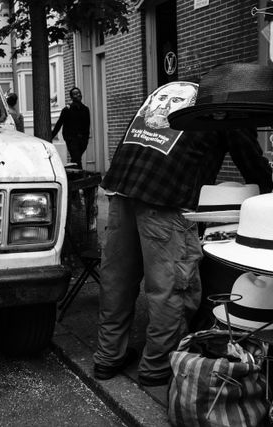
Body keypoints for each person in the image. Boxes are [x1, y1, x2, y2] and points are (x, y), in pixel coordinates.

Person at [92, 80, 273, 387]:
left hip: (122, 190)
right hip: (166, 200)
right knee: (171, 289)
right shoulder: (225, 108)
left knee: (117, 281)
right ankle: (157, 368)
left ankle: (107, 358)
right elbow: (251, 164)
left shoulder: (175, 89)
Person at [51, 87, 90, 168]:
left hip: (83, 140)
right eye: (75, 94)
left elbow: (87, 125)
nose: (78, 95)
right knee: (77, 158)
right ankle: (80, 177)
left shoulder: (85, 109)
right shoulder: (67, 110)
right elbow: (59, 124)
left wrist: (86, 138)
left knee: (76, 158)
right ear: (72, 97)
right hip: (71, 138)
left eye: (79, 93)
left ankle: (73, 175)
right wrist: (51, 136)